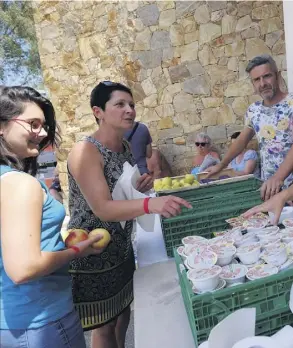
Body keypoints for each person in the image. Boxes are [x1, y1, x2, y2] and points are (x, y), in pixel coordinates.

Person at [66, 81, 191, 348]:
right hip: (94, 253)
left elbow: (117, 190)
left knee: (122, 312)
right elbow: (102, 207)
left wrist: (138, 187)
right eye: (120, 104)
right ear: (98, 111)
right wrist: (149, 205)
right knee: (105, 324)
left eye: (131, 105)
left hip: (121, 246)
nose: (129, 110)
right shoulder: (85, 151)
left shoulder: (123, 146)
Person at [0, 86, 104, 348]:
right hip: (42, 321)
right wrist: (77, 250)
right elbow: (24, 268)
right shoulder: (19, 184)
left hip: (12, 321)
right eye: (33, 124)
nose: (43, 133)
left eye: (44, 125)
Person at [207, 54, 293, 201]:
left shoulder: (291, 103)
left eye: (267, 76)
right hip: (270, 190)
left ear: (277, 76)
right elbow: (241, 141)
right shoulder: (254, 110)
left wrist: (278, 177)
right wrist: (222, 165)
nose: (262, 83)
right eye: (256, 79)